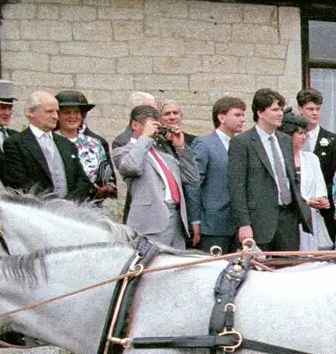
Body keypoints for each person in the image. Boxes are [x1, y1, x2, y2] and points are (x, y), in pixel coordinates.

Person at [227, 88, 309, 252]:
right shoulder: (242, 143)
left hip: (288, 220)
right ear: (260, 112)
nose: (280, 114)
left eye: (280, 109)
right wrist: (244, 224)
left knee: (290, 271)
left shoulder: (285, 140)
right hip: (259, 222)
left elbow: (291, 177)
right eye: (275, 109)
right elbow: (236, 187)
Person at [115, 103, 198, 251]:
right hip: (151, 222)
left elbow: (192, 178)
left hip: (177, 220)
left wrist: (181, 148)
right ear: (134, 125)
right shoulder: (123, 151)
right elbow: (131, 166)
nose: (155, 131)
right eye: (151, 126)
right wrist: (145, 137)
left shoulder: (163, 154)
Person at [1, 90, 92, 203]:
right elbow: (18, 181)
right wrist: (52, 203)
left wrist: (67, 203)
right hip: (37, 211)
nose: (55, 117)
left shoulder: (66, 144)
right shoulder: (16, 143)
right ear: (31, 112)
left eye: (57, 112)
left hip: (68, 212)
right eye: (49, 112)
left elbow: (83, 181)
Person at [188, 95, 247, 252]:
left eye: (243, 115)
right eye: (237, 115)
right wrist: (195, 220)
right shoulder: (205, 144)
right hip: (213, 224)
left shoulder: (241, 145)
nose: (242, 119)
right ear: (221, 117)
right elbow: (194, 184)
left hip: (237, 225)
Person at [295, 89, 336, 241]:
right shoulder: (290, 138)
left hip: (325, 208)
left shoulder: (333, 140)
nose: (315, 113)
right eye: (310, 109)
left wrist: (321, 198)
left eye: (318, 109)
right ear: (300, 109)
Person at [281, 112, 333, 250]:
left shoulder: (311, 158)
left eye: (305, 133)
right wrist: (305, 202)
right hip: (289, 216)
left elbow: (319, 185)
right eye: (299, 133)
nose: (303, 137)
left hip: (309, 216)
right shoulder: (280, 160)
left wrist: (321, 199)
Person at [54, 90, 116, 207]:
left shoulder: (95, 143)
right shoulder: (50, 141)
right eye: (67, 112)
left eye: (76, 112)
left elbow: (109, 179)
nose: (72, 116)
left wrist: (106, 189)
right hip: (60, 207)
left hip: (92, 207)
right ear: (58, 115)